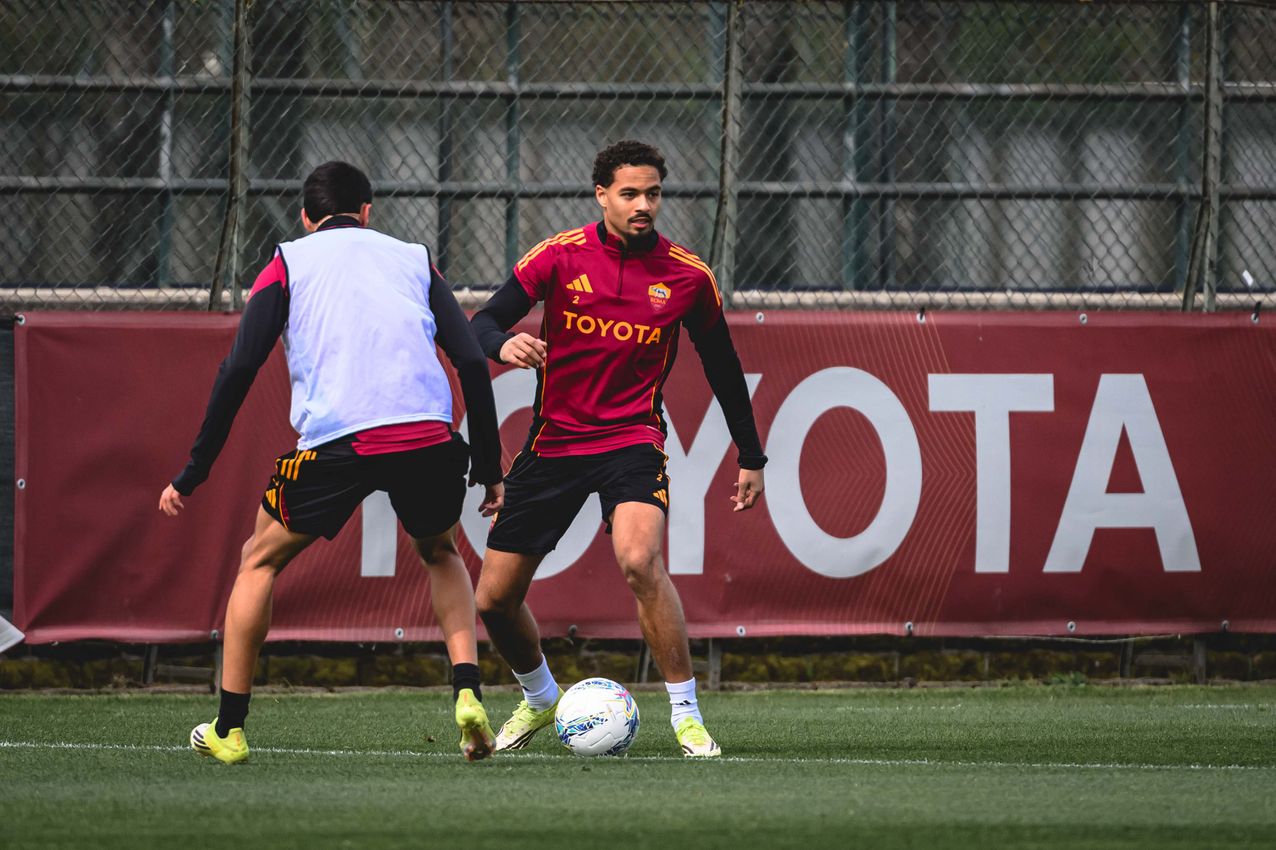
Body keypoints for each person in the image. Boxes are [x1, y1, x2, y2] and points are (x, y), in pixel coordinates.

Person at [158, 161, 504, 764]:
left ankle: (229, 728)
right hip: (427, 435)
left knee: (258, 560)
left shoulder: (286, 262)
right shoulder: (414, 258)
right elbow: (473, 361)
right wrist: (490, 468)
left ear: (305, 217)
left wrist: (195, 469)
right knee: (441, 552)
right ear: (368, 212)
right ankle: (468, 692)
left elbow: (240, 367)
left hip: (339, 441)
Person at [470, 140, 766, 758]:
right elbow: (482, 324)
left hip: (632, 439)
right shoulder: (558, 256)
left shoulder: (687, 275)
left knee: (638, 560)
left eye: (653, 194)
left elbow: (723, 366)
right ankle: (540, 695)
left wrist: (751, 454)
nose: (643, 205)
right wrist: (504, 346)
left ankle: (686, 716)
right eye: (629, 193)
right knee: (493, 601)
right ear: (601, 194)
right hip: (553, 442)